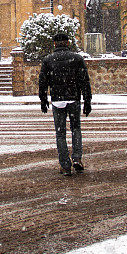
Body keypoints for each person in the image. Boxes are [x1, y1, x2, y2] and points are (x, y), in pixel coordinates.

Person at [39, 32, 92, 176]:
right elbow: (84, 81)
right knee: (76, 128)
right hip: (73, 98)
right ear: (68, 43)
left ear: (54, 44)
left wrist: (43, 100)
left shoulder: (48, 60)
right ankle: (77, 158)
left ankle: (65, 164)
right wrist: (87, 100)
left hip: (58, 100)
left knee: (60, 133)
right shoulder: (77, 58)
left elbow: (43, 82)